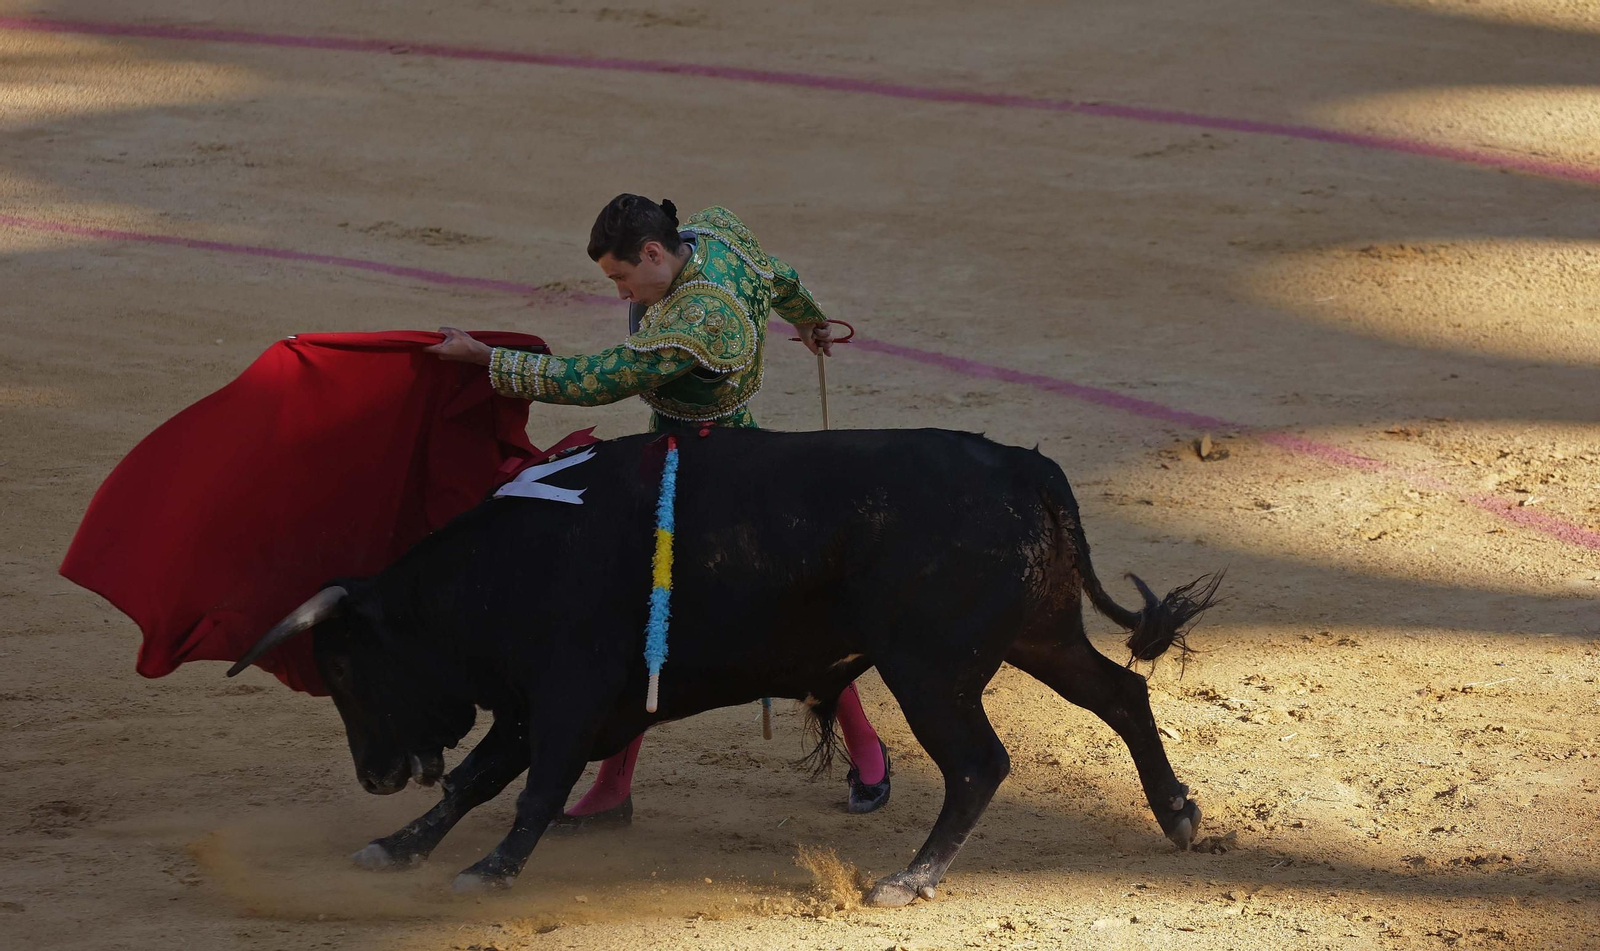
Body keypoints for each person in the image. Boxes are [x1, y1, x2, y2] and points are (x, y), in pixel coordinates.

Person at [426, 195, 891, 822]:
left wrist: (488, 359)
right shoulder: (714, 232)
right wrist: (808, 320)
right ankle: (618, 788)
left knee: (677, 610)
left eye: (621, 277)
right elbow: (780, 275)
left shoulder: (698, 319)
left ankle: (863, 745)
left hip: (706, 468)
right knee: (664, 610)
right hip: (724, 444)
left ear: (652, 253)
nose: (622, 295)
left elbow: (594, 380)